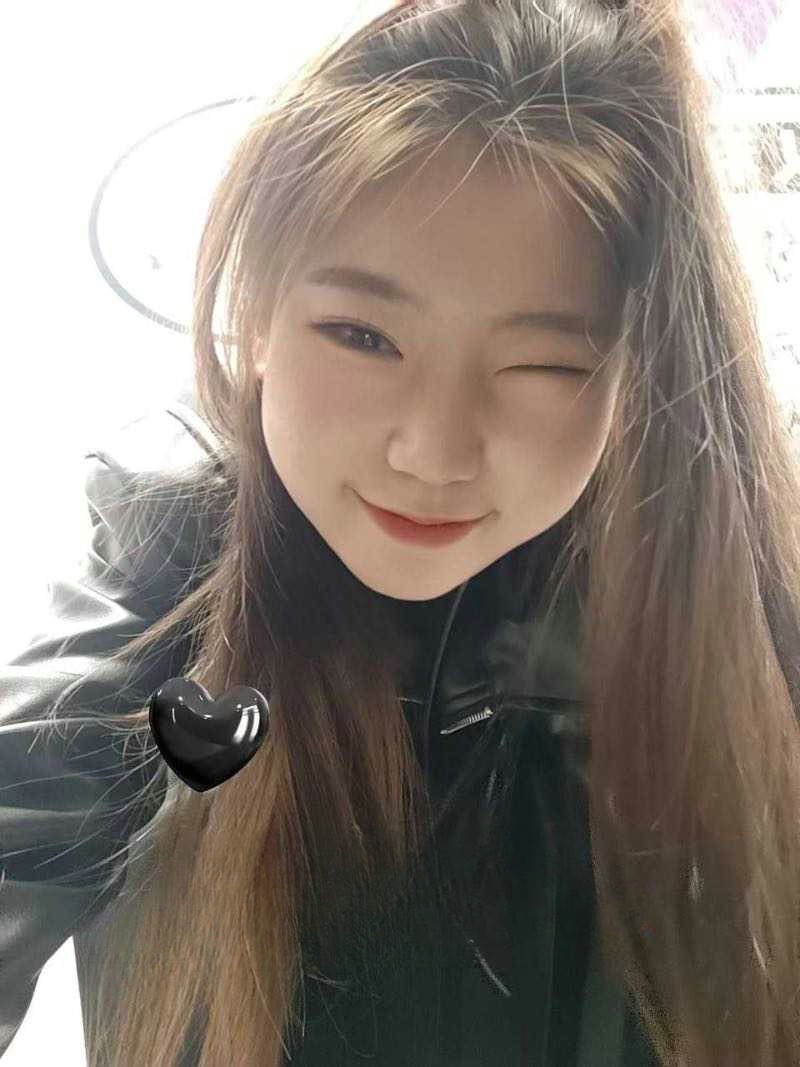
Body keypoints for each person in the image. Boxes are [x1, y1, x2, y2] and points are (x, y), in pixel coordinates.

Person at [2, 0, 799, 1064]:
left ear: (636, 368)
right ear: (258, 315)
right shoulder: (173, 560)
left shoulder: (728, 608)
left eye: (542, 364)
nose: (433, 451)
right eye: (361, 334)